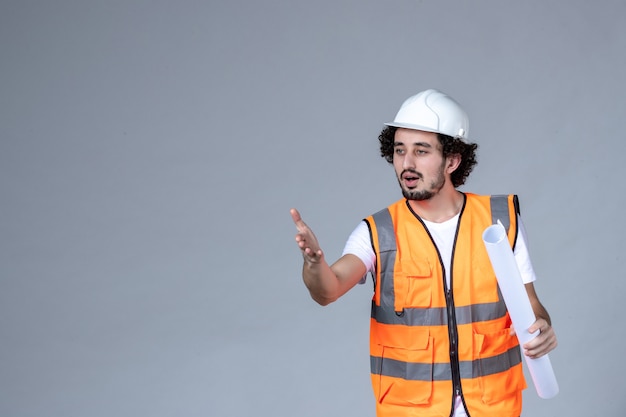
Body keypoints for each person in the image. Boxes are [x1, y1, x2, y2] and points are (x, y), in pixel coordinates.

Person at [290, 89, 557, 417]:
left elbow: (530, 304)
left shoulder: (499, 223)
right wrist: (313, 263)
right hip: (412, 410)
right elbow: (327, 291)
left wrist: (542, 323)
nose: (407, 163)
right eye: (400, 150)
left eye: (422, 151)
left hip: (493, 407)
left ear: (452, 160)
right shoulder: (378, 231)